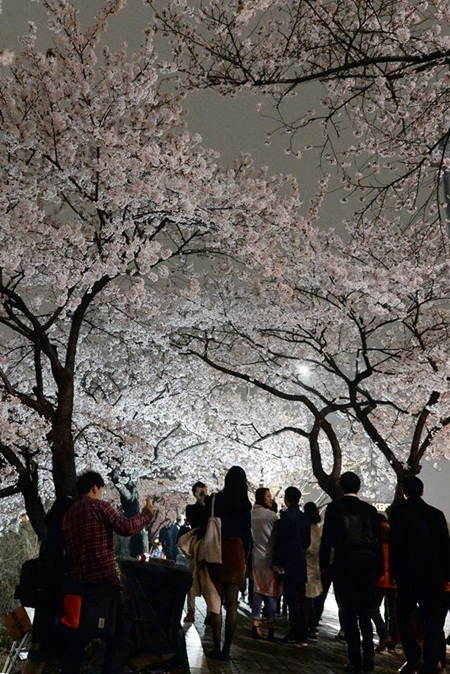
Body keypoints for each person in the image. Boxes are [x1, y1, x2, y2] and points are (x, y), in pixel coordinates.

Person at [61, 470, 154, 674]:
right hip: (103, 582)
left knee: (77, 639)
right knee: (120, 635)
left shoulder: (68, 515)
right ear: (96, 487)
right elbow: (126, 527)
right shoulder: (98, 506)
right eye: (102, 489)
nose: (102, 494)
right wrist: (147, 513)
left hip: (78, 584)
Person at [320, 471, 382, 674]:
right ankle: (369, 659)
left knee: (348, 615)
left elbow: (327, 540)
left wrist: (324, 565)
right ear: (358, 487)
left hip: (343, 566)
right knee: (364, 613)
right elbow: (378, 542)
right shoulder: (370, 510)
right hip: (366, 567)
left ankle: (355, 660)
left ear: (342, 487)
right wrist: (378, 568)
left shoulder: (335, 508)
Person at [389, 475, 450, 674]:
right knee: (433, 621)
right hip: (433, 576)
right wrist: (447, 577)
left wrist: (394, 572)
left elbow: (395, 546)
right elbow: (445, 549)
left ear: (404, 492)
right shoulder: (437, 515)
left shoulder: (398, 513)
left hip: (408, 575)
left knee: (402, 614)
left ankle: (413, 655)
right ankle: (431, 663)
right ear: (422, 491)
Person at [199, 465, 251, 662]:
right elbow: (247, 533)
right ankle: (227, 650)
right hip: (237, 551)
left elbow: (203, 527)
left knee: (215, 603)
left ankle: (216, 647)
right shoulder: (245, 504)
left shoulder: (215, 499)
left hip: (217, 550)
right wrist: (245, 558)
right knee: (232, 603)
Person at [23, 496, 74, 674]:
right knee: (41, 656)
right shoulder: (58, 543)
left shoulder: (50, 539)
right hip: (52, 605)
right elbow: (55, 574)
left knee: (39, 656)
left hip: (46, 605)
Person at [273, 486, 311, 648]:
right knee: (301, 599)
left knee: (291, 599)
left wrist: (277, 561)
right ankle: (303, 635)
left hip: (288, 561)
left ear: (286, 499)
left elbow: (280, 541)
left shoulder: (286, 517)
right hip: (300, 561)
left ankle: (295, 633)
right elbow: (306, 542)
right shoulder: (304, 518)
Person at [250, 487, 279, 641]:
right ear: (262, 497)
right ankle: (271, 626)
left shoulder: (252, 514)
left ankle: (255, 623)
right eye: (268, 495)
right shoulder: (271, 516)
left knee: (257, 590)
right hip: (270, 557)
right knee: (271, 593)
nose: (270, 498)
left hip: (256, 555)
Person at [183, 481, 208, 623]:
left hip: (210, 545)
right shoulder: (191, 508)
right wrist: (202, 502)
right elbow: (196, 521)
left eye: (204, 491)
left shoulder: (212, 507)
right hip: (196, 546)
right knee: (192, 578)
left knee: (209, 580)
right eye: (200, 492)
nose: (203, 494)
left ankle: (211, 612)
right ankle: (191, 611)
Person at [303, 501, 323, 642]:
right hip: (316, 567)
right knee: (313, 600)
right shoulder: (318, 530)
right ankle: (312, 626)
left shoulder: (307, 529)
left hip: (307, 567)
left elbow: (309, 548)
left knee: (306, 601)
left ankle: (308, 627)